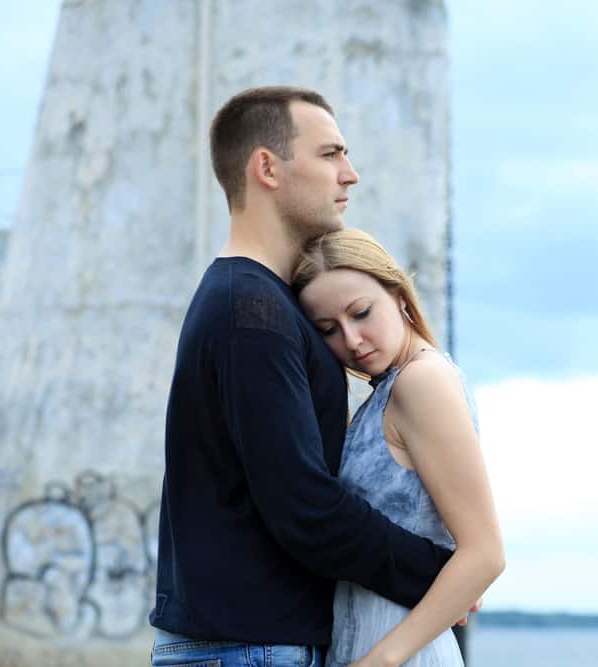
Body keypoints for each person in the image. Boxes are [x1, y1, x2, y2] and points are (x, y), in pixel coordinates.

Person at [150, 86, 464, 667]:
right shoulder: (252, 310)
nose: (350, 174)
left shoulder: (254, 301)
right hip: (248, 648)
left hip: (246, 644)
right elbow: (304, 506)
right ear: (267, 167)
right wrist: (439, 576)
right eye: (330, 154)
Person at [292, 229, 505, 667]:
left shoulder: (421, 381)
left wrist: (382, 660)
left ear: (400, 295)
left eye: (362, 313)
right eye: (328, 330)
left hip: (400, 651)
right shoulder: (391, 389)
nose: (351, 340)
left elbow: (484, 554)